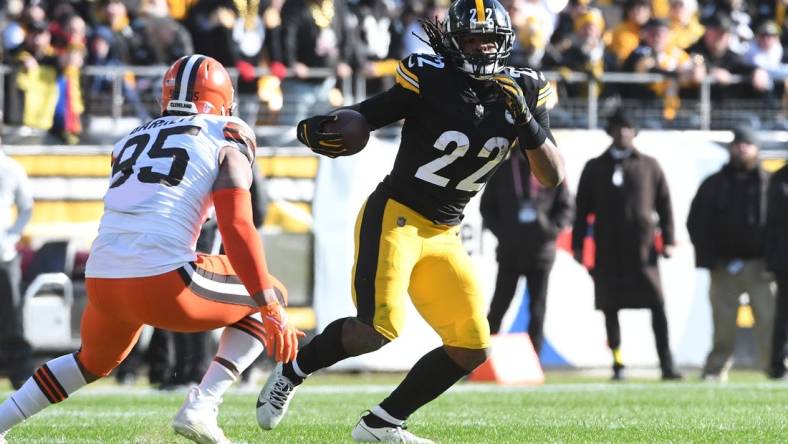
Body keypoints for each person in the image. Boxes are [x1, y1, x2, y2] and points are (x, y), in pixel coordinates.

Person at [256, 1, 565, 442]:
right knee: (376, 329)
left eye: (489, 40)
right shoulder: (430, 77)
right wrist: (331, 127)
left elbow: (551, 175)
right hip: (396, 216)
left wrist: (527, 121)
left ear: (505, 43)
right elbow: (368, 114)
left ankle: (382, 423)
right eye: (472, 39)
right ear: (455, 42)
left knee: (472, 345)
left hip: (445, 230)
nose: (481, 48)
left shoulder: (526, 89)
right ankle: (293, 368)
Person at [0, 54, 303, 444]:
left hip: (103, 277)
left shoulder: (132, 136)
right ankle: (202, 405)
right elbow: (238, 223)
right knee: (272, 292)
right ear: (220, 96)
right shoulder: (226, 131)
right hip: (166, 281)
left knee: (92, 361)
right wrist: (268, 303)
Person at [572, 109, 682, 381]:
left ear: (635, 132)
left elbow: (665, 205)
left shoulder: (649, 165)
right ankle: (618, 363)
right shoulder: (595, 167)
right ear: (609, 132)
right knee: (610, 308)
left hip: (643, 251)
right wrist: (578, 246)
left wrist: (668, 240)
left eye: (628, 128)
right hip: (608, 251)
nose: (623, 132)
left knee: (657, 305)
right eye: (618, 128)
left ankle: (667, 364)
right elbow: (581, 211)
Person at [687, 127, 775, 382]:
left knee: (768, 321)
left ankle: (775, 367)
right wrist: (709, 258)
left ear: (756, 148)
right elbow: (696, 223)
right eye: (737, 143)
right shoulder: (714, 184)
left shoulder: (770, 183)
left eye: (747, 143)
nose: (742, 148)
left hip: (762, 267)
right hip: (723, 266)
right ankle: (715, 369)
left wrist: (776, 260)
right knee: (723, 324)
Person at [481, 152, 573, 357]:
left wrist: (549, 230)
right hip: (510, 251)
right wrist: (504, 233)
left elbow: (566, 207)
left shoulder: (551, 167)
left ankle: (534, 358)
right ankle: (479, 358)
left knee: (538, 308)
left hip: (541, 252)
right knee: (498, 306)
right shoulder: (503, 169)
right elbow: (487, 207)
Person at [0, 139, 34, 390]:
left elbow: (26, 208)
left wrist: (12, 236)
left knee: (11, 314)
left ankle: (19, 371)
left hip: (4, 254)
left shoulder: (11, 168)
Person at [766, 162, 788, 379]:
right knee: (783, 316)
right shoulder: (779, 179)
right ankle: (778, 365)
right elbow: (770, 224)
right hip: (785, 260)